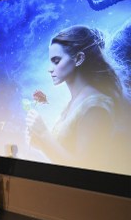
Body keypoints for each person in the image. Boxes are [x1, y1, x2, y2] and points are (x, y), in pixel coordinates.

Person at [26, 25, 129, 172]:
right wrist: (41, 142)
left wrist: (44, 135)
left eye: (56, 61)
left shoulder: (95, 107)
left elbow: (84, 172)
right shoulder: (75, 102)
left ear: (79, 58)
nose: (50, 68)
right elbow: (63, 158)